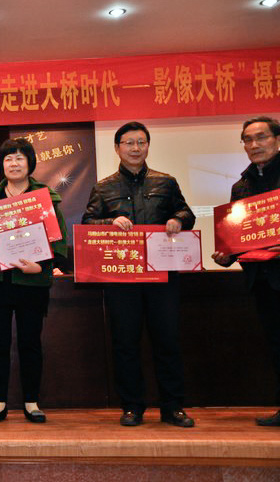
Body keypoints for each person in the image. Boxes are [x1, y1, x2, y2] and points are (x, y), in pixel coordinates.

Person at [82, 121, 196, 428]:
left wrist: (177, 219)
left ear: (147, 146)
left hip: (162, 275)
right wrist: (109, 222)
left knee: (167, 341)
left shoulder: (166, 182)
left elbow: (187, 213)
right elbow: (87, 223)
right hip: (122, 277)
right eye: (129, 143)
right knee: (125, 343)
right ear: (117, 148)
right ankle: (132, 406)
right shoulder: (103, 187)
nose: (135, 148)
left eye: (141, 142)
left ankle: (173, 407)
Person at [0, 138, 67, 424]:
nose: (14, 164)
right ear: (1, 164)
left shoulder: (45, 198)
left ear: (30, 163)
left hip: (32, 282)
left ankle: (31, 402)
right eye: (8, 159)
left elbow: (58, 240)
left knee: (30, 343)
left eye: (19, 158)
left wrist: (41, 267)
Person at [212, 116, 280, 426]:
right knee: (276, 344)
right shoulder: (240, 187)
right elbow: (238, 238)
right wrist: (226, 254)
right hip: (263, 281)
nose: (254, 144)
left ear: (276, 139)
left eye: (261, 137)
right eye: (248, 140)